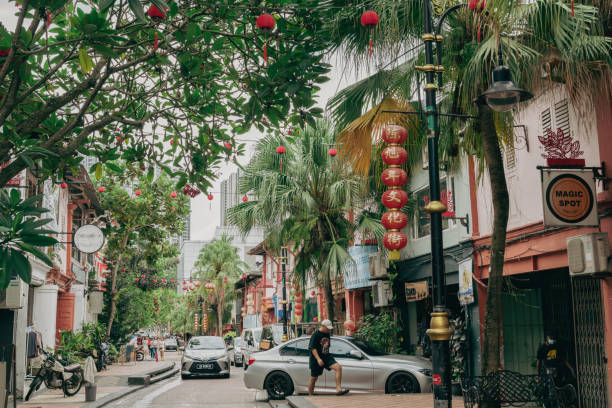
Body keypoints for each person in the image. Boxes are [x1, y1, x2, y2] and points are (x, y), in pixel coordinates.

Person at [308, 319, 349, 396]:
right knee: (314, 378)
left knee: (338, 367)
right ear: (323, 326)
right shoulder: (315, 335)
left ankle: (338, 390)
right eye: (328, 328)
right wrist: (318, 359)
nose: (329, 330)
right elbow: (312, 348)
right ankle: (310, 395)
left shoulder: (327, 334)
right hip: (316, 359)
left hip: (326, 356)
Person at [537, 331, 575, 408]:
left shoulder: (557, 346)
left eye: (554, 339)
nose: (553, 340)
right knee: (550, 391)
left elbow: (563, 359)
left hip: (557, 371)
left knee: (557, 389)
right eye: (551, 338)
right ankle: (549, 405)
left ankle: (553, 404)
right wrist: (537, 376)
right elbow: (539, 362)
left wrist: (571, 369)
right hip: (547, 372)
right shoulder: (542, 348)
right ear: (547, 338)